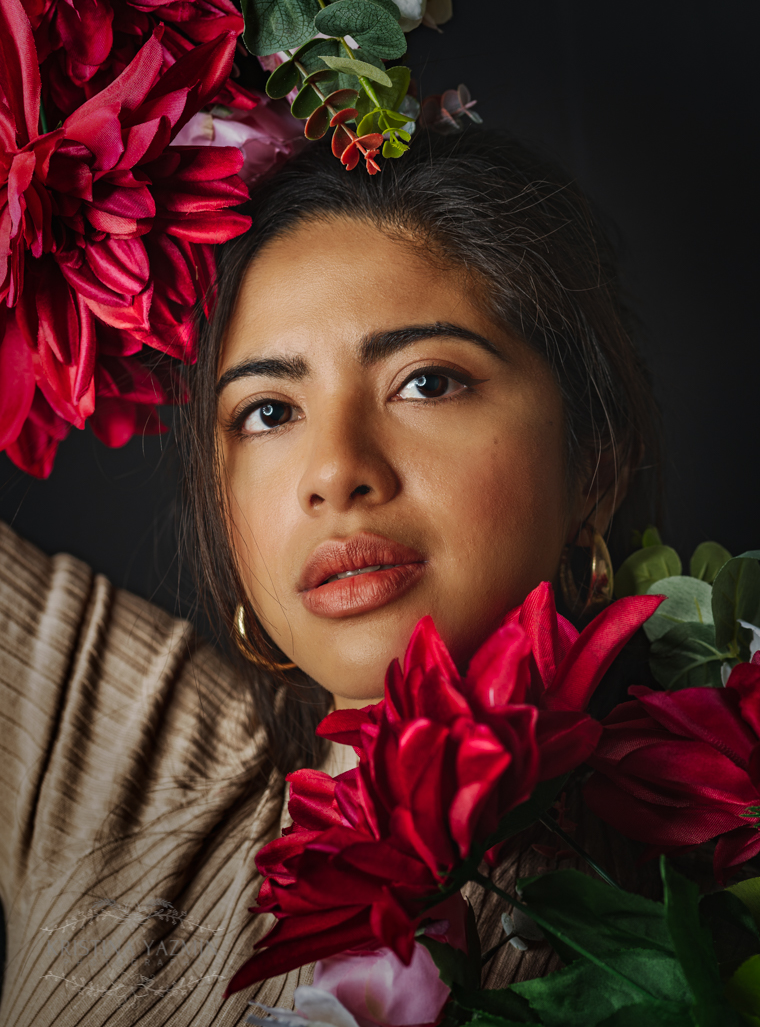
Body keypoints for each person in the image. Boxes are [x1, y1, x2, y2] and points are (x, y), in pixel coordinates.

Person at [0, 130, 660, 1026]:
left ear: (595, 470)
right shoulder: (128, 767)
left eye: (425, 382)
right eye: (268, 411)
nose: (335, 470)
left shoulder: (707, 896)